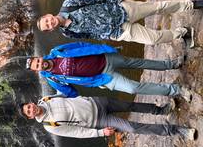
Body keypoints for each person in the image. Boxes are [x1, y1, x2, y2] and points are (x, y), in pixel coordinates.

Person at [26, 42, 192, 100]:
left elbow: (81, 45)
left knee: (136, 63)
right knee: (133, 88)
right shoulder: (53, 79)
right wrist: (62, 98)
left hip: (105, 58)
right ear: (37, 71)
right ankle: (175, 90)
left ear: (39, 57)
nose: (41, 64)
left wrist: (104, 48)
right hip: (103, 78)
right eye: (37, 66)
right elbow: (71, 92)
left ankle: (170, 64)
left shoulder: (57, 51)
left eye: (38, 61)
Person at [36, 0, 201, 47]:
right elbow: (89, 35)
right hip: (119, 31)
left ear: (49, 15)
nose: (50, 23)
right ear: (50, 29)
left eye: (47, 20)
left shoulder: (68, 4)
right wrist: (108, 36)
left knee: (158, 7)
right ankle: (182, 33)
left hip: (122, 10)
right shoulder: (67, 32)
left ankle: (191, 5)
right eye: (48, 26)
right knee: (153, 40)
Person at [20, 96, 196, 140]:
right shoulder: (50, 125)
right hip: (100, 121)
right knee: (132, 127)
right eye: (29, 112)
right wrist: (100, 133)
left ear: (30, 103)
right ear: (30, 117)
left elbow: (67, 97)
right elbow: (76, 133)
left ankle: (161, 110)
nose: (32, 109)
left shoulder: (45, 99)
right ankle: (177, 131)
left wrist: (85, 98)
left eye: (29, 106)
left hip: (98, 102)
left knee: (130, 105)